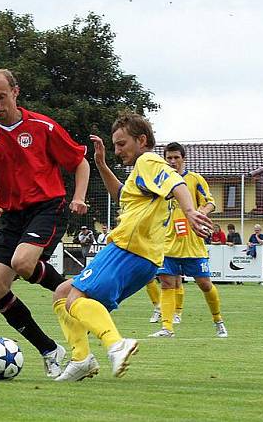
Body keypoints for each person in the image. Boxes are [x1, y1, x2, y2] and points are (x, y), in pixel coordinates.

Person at [50, 112, 212, 381]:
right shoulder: (141, 173)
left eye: (122, 143)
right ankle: (80, 360)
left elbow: (176, 182)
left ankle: (115, 344)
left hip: (127, 249)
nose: (117, 150)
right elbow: (121, 195)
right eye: (115, 145)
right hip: (144, 260)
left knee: (75, 299)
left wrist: (191, 211)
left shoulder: (149, 160)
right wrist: (101, 164)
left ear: (141, 140)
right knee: (61, 294)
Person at [0, 68, 89, 378]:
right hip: (12, 215)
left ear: (15, 92)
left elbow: (79, 162)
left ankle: (66, 287)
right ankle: (50, 349)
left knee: (22, 261)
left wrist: (80, 196)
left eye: (1, 97)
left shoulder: (43, 126)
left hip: (48, 205)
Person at [149, 142, 226, 339]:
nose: (173, 161)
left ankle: (218, 321)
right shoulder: (159, 181)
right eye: (169, 158)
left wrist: (199, 213)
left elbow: (210, 202)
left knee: (205, 284)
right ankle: (167, 328)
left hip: (192, 243)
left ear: (183, 158)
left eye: (176, 157)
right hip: (167, 242)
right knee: (166, 283)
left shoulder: (194, 179)